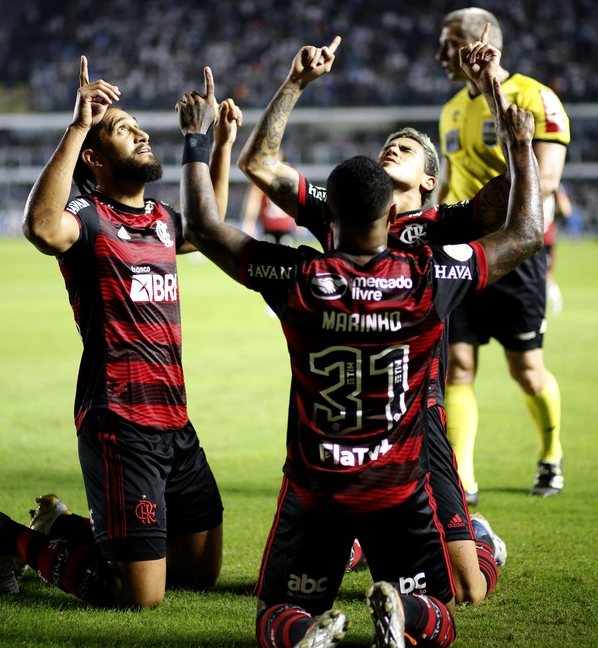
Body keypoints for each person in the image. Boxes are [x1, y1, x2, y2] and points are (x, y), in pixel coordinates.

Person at [177, 37, 541, 647]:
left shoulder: (434, 227)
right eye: (382, 149)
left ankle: (459, 539)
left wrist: (494, 96)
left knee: (469, 584)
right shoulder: (429, 269)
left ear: (429, 181)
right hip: (380, 448)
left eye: (402, 149)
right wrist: (294, 81)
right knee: (440, 595)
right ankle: (366, 560)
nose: (387, 150)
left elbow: (210, 228)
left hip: (412, 424)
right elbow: (262, 166)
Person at [0, 55, 240, 610]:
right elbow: (41, 226)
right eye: (124, 129)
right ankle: (8, 539)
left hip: (175, 420)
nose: (141, 131)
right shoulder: (87, 216)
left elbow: (210, 227)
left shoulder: (163, 220)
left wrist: (218, 145)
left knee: (198, 573)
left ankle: (63, 524)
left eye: (140, 126)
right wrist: (76, 126)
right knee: (138, 597)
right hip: (120, 422)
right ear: (94, 158)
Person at [436, 9, 571, 502]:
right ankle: (464, 477)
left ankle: (551, 455)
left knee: (526, 367)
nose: (438, 55)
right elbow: (448, 185)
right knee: (458, 364)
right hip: (461, 252)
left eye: (448, 44)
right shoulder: (450, 108)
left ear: (477, 42)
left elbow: (548, 179)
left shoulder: (535, 98)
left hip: (514, 251)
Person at [544, 183, 573, 315]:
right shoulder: (554, 183)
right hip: (546, 235)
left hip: (530, 236)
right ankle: (554, 305)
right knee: (547, 274)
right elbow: (566, 210)